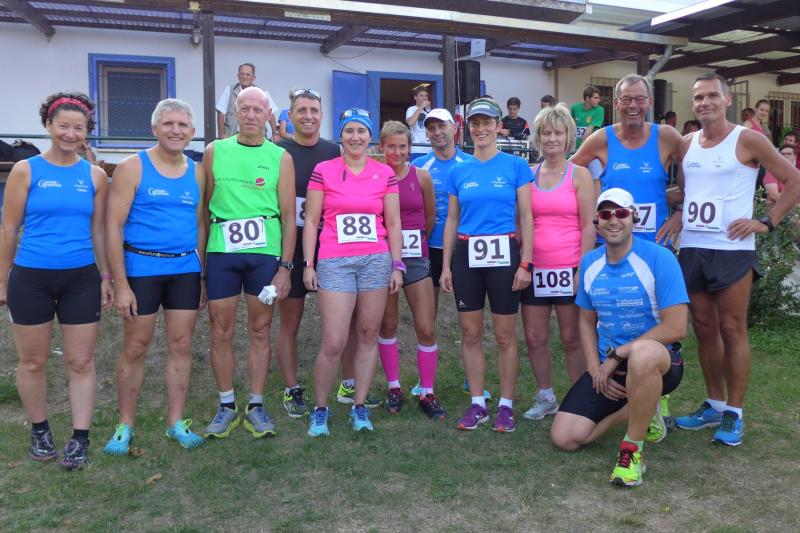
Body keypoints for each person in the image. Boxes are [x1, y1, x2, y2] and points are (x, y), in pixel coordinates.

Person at [674, 73, 800, 446]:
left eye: (712, 96)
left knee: (732, 328)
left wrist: (767, 221)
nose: (705, 102)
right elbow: (687, 191)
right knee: (703, 327)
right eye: (699, 97)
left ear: (727, 100)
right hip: (693, 247)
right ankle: (714, 403)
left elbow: (793, 179)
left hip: (732, 249)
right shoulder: (686, 144)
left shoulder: (748, 139)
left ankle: (735, 412)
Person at [0, 92, 113, 469]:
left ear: (86, 132)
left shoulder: (95, 175)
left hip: (80, 279)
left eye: (78, 128)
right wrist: (3, 279)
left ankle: (80, 438)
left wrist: (106, 276)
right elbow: (9, 228)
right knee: (33, 361)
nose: (70, 133)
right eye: (63, 125)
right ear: (48, 125)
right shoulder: (25, 170)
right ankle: (40, 430)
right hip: (30, 277)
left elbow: (99, 231)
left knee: (80, 361)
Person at [550, 188, 688, 487]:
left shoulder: (660, 258)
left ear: (634, 218)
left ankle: (632, 451)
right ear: (597, 222)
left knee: (643, 354)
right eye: (605, 214)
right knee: (566, 437)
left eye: (621, 213)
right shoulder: (590, 263)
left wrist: (617, 355)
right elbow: (585, 321)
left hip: (659, 362)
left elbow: (676, 327)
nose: (613, 220)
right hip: (609, 367)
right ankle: (642, 408)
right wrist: (594, 369)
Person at [101, 99, 207, 455]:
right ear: (155, 129)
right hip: (141, 269)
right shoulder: (132, 167)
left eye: (182, 125)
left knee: (181, 345)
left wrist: (201, 276)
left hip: (184, 270)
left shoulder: (198, 172)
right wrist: (120, 284)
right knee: (136, 346)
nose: (176, 130)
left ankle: (176, 422)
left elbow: (200, 224)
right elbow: (112, 226)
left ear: (192, 132)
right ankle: (125, 425)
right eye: (169, 124)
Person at [203, 86, 296, 439]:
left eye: (258, 109)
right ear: (235, 113)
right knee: (220, 329)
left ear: (268, 114)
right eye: (245, 109)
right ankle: (226, 405)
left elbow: (288, 216)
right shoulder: (214, 151)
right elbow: (203, 210)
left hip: (264, 255)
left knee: (260, 329)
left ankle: (256, 405)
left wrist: (285, 267)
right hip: (222, 252)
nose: (251, 115)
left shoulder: (280, 157)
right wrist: (201, 269)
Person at [303, 108, 403, 436]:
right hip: (335, 261)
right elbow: (312, 220)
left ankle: (359, 405)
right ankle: (320, 408)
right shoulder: (324, 170)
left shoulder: (384, 173)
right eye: (349, 131)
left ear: (370, 136)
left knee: (368, 334)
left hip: (375, 259)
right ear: (341, 135)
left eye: (361, 131)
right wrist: (308, 264)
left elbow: (393, 222)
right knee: (334, 340)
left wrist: (397, 264)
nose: (355, 137)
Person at [440, 97, 533, 433]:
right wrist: (446, 265)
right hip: (467, 254)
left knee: (505, 335)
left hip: (504, 253)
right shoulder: (458, 170)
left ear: (498, 127)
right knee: (470, 333)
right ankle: (477, 403)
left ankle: (506, 406)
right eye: (475, 123)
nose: (481, 129)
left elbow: (527, 216)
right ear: (468, 128)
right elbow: (452, 220)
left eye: (486, 123)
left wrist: (526, 262)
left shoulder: (515, 166)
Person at [521, 104, 595, 421]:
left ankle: (578, 401)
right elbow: (521, 219)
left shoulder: (580, 175)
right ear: (538, 137)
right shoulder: (528, 174)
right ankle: (546, 396)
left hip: (569, 268)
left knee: (571, 339)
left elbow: (589, 225)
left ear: (568, 137)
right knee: (535, 338)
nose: (552, 138)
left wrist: (582, 268)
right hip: (535, 269)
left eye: (558, 133)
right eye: (546, 133)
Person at [411, 109, 490, 401]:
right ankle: (425, 379)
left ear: (454, 129)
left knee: (471, 320)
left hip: (465, 248)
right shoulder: (419, 165)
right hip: (429, 249)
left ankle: (473, 377)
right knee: (426, 319)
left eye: (441, 126)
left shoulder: (471, 163)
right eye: (430, 128)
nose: (436, 132)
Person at [274, 89, 341, 418]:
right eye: (301, 110)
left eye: (314, 110)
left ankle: (348, 384)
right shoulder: (278, 152)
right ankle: (292, 388)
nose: (308, 116)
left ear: (321, 115)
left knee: (343, 323)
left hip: (331, 246)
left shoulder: (333, 150)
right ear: (290, 116)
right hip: (292, 246)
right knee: (290, 321)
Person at [373, 121, 444, 419]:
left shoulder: (422, 177)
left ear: (410, 148)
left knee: (426, 327)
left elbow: (430, 218)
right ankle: (394, 387)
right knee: (387, 326)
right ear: (381, 147)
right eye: (391, 146)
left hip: (416, 258)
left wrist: (409, 243)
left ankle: (427, 391)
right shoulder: (374, 176)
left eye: (403, 146)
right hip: (383, 258)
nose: (397, 152)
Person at [572, 74, 684, 247]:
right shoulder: (602, 139)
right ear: (616, 103)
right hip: (611, 246)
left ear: (649, 102)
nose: (633, 105)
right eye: (626, 99)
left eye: (639, 99)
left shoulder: (666, 136)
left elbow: (699, 178)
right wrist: (588, 215)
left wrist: (680, 214)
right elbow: (565, 173)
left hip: (655, 245)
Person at [215, 63, 280, 141]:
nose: (244, 77)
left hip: (256, 138)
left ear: (253, 77)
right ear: (238, 76)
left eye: (248, 74)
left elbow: (271, 114)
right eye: (242, 74)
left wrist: (274, 133)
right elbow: (221, 112)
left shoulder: (261, 92)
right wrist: (222, 134)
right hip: (232, 137)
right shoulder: (230, 89)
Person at [570, 85, 604, 152]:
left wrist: (580, 149)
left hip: (591, 146)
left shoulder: (599, 110)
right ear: (588, 98)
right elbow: (571, 126)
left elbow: (589, 129)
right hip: (575, 145)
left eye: (599, 98)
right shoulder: (575, 108)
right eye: (596, 98)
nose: (599, 100)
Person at [405, 83, 433, 159]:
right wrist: (420, 107)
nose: (424, 98)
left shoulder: (429, 111)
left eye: (426, 96)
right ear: (415, 97)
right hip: (416, 149)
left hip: (429, 149)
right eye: (421, 96)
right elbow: (410, 123)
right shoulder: (411, 109)